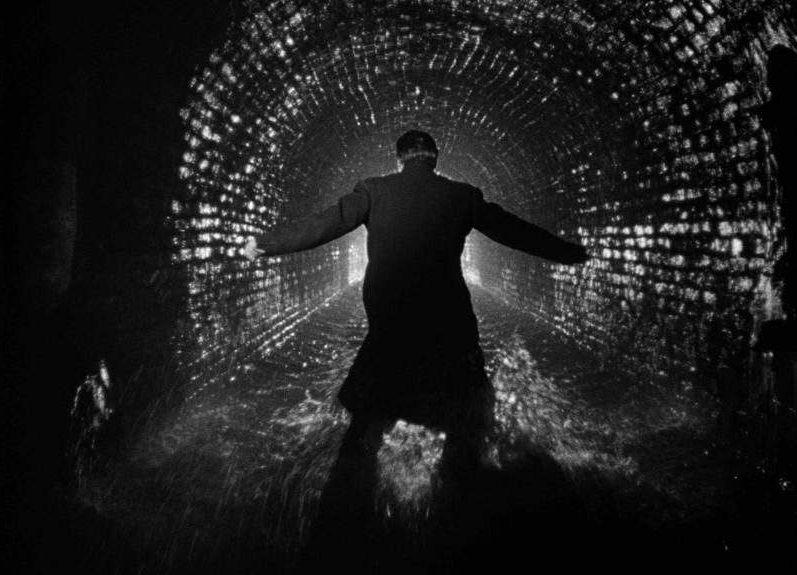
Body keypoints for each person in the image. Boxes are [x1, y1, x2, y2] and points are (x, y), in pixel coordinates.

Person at [244, 130, 588, 562]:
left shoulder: (373, 189)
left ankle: (358, 473)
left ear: (401, 158)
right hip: (445, 304)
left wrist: (267, 243)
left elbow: (325, 223)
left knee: (382, 373)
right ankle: (463, 478)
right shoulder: (462, 195)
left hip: (389, 305)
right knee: (466, 380)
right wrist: (567, 253)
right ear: (434, 158)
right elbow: (511, 229)